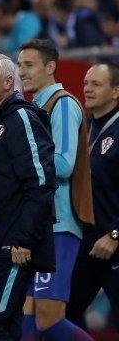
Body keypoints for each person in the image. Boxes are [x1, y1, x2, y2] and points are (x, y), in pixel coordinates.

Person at [0, 52, 57, 341]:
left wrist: (24, 239)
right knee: (6, 326)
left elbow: (41, 182)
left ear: (9, 82)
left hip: (12, 247)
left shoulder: (21, 117)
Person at [17, 39, 94, 341]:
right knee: (25, 314)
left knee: (48, 319)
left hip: (58, 224)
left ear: (50, 68)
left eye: (29, 65)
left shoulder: (62, 104)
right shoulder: (31, 107)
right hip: (34, 226)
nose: (22, 71)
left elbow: (63, 163)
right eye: (20, 65)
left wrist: (20, 163)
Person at [66, 62, 119, 329]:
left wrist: (114, 235)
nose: (87, 89)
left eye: (96, 84)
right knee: (61, 315)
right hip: (85, 243)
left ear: (116, 91)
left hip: (114, 244)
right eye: (86, 83)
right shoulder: (84, 128)